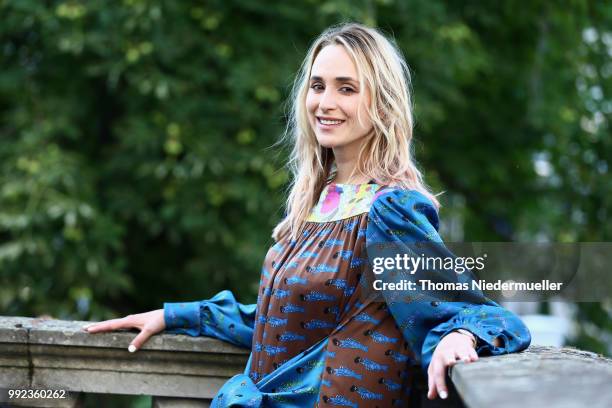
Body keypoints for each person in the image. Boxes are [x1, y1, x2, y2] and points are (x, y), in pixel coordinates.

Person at [83, 22, 531, 407]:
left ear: (383, 105)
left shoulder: (392, 210)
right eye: (317, 86)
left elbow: (477, 312)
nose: (325, 102)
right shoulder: (319, 201)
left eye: (347, 88)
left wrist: (460, 337)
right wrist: (173, 315)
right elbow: (274, 320)